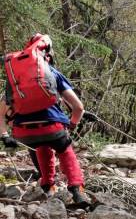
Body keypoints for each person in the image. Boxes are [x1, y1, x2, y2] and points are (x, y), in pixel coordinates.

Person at [0, 33, 87, 204]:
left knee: (40, 144)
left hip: (24, 134)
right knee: (64, 147)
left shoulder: (14, 79)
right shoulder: (53, 73)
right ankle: (77, 189)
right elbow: (78, 107)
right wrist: (72, 125)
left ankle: (48, 187)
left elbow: (0, 113)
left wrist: (5, 136)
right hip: (53, 129)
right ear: (48, 53)